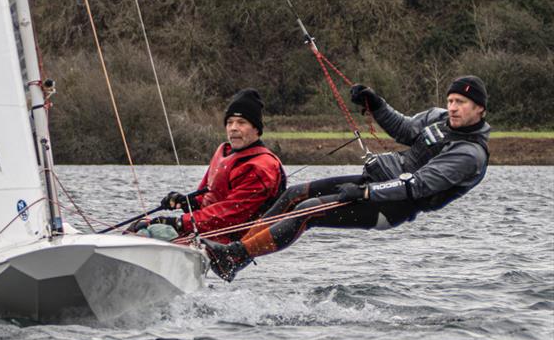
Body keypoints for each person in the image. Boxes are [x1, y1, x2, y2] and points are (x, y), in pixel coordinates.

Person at [203, 75, 491, 281]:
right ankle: (235, 249)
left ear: (479, 108)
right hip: (375, 183)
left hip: (391, 205)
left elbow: (414, 185)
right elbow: (404, 129)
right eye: (451, 100)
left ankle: (235, 256)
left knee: (307, 211)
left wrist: (365, 194)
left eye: (462, 102)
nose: (453, 107)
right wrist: (376, 104)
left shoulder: (469, 154)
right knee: (295, 194)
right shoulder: (439, 118)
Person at [132, 88, 286, 243]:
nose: (233, 128)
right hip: (201, 231)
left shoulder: (261, 167)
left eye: (241, 123)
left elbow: (229, 214)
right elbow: (206, 196)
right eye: (229, 122)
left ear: (256, 130)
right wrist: (187, 202)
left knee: (153, 231)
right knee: (139, 227)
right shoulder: (224, 152)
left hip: (225, 245)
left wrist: (177, 223)